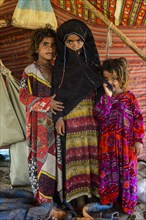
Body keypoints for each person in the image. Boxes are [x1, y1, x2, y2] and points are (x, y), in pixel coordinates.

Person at [51, 19, 105, 214]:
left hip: (92, 120)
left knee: (93, 158)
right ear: (62, 44)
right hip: (71, 122)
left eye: (79, 41)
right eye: (70, 42)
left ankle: (94, 197)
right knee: (75, 161)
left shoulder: (93, 63)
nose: (75, 45)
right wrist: (58, 117)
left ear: (85, 41)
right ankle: (79, 200)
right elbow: (55, 94)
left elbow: (101, 92)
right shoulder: (60, 67)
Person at [93, 57, 144, 214]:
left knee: (127, 173)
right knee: (107, 173)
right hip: (107, 146)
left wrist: (138, 141)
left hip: (126, 145)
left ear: (122, 78)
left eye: (114, 78)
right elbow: (99, 115)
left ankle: (126, 205)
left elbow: (138, 120)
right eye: (107, 78)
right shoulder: (102, 98)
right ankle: (109, 202)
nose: (111, 82)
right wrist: (107, 98)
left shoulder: (130, 98)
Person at [19, 27, 64, 205]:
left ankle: (58, 200)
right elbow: (23, 97)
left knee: (58, 162)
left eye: (53, 45)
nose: (50, 49)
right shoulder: (30, 71)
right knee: (42, 161)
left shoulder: (58, 70)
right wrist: (47, 103)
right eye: (45, 44)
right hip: (39, 129)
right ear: (36, 47)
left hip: (56, 124)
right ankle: (44, 202)